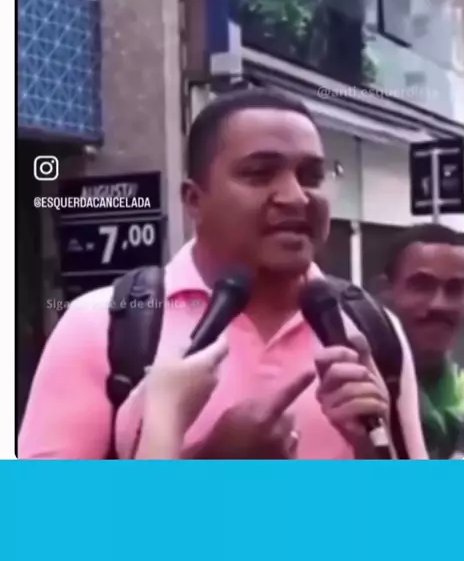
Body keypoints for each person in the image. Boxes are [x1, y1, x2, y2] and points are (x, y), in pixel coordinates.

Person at [19, 90, 428, 459]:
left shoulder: (370, 327)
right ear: (194, 200)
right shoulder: (102, 325)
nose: (296, 197)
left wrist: (372, 450)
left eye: (311, 177)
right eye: (260, 173)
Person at [379, 224, 464, 459]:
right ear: (385, 291)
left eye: (456, 289)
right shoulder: (351, 390)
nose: (440, 304)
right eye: (422, 285)